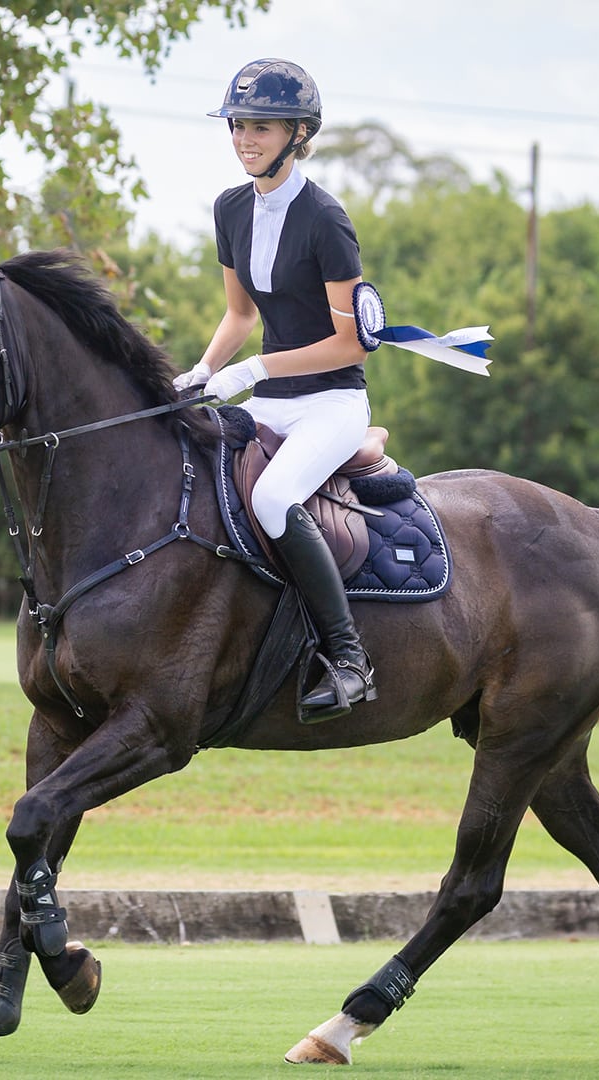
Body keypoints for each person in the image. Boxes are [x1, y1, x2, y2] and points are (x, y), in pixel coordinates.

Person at [172, 57, 377, 724]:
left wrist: (255, 370)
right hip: (269, 403)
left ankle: (350, 660)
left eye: (260, 127)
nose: (243, 139)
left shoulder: (325, 219)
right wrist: (204, 371)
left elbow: (351, 344)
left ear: (298, 133)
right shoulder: (230, 208)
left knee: (271, 496)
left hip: (331, 402)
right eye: (237, 125)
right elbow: (240, 315)